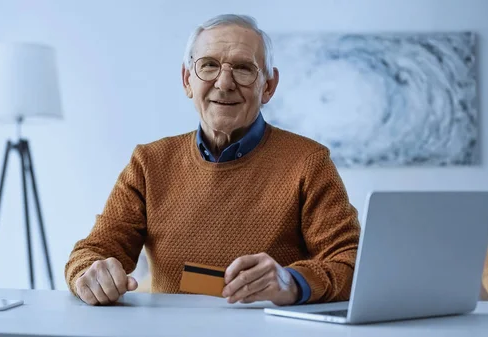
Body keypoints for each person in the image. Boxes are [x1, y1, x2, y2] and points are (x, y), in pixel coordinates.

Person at [65, 14, 360, 306]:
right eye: (209, 66)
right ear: (187, 80)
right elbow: (92, 252)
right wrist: (89, 274)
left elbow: (351, 264)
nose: (225, 83)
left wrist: (290, 281)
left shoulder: (309, 162)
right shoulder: (148, 163)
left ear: (268, 86)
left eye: (244, 69)